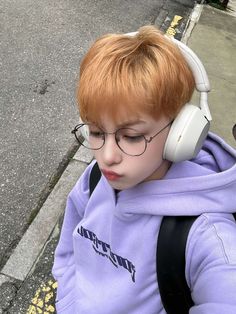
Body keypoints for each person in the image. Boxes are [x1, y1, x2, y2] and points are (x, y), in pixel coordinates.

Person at [52, 26, 236, 313]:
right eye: (97, 132)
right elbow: (68, 249)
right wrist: (68, 300)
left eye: (132, 136)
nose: (107, 156)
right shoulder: (96, 177)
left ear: (181, 133)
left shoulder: (206, 235)